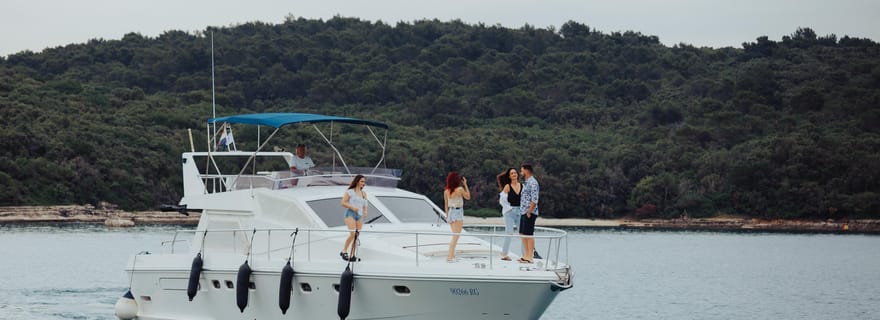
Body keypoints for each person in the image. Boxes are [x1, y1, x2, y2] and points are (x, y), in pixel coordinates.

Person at [340, 175, 368, 261]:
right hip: (350, 214)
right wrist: (352, 207)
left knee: (356, 236)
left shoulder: (363, 193)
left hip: (359, 215)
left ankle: (352, 255)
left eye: (364, 182)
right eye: (362, 181)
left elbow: (365, 204)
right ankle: (344, 251)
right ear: (357, 181)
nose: (363, 183)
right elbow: (343, 203)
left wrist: (365, 211)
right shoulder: (350, 192)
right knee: (353, 234)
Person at [444, 171, 470, 262]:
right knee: (456, 236)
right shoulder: (460, 189)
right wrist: (465, 184)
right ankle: (450, 257)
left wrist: (447, 216)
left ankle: (452, 255)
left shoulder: (446, 191)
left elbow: (446, 205)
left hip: (451, 212)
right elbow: (468, 197)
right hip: (458, 212)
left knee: (454, 235)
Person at [497, 168, 522, 261]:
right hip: (509, 212)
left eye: (515, 173)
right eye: (512, 173)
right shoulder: (507, 186)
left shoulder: (522, 186)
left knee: (522, 233)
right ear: (509, 176)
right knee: (509, 233)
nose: (514, 174)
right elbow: (502, 200)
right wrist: (509, 209)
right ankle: (504, 254)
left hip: (520, 212)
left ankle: (524, 255)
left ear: (517, 174)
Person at [518, 164, 539, 264]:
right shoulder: (526, 183)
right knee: (522, 233)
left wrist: (529, 211)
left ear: (526, 171)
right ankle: (526, 255)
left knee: (529, 234)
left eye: (522, 171)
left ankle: (530, 256)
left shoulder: (533, 183)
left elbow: (535, 199)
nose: (520, 173)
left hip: (529, 212)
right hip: (523, 211)